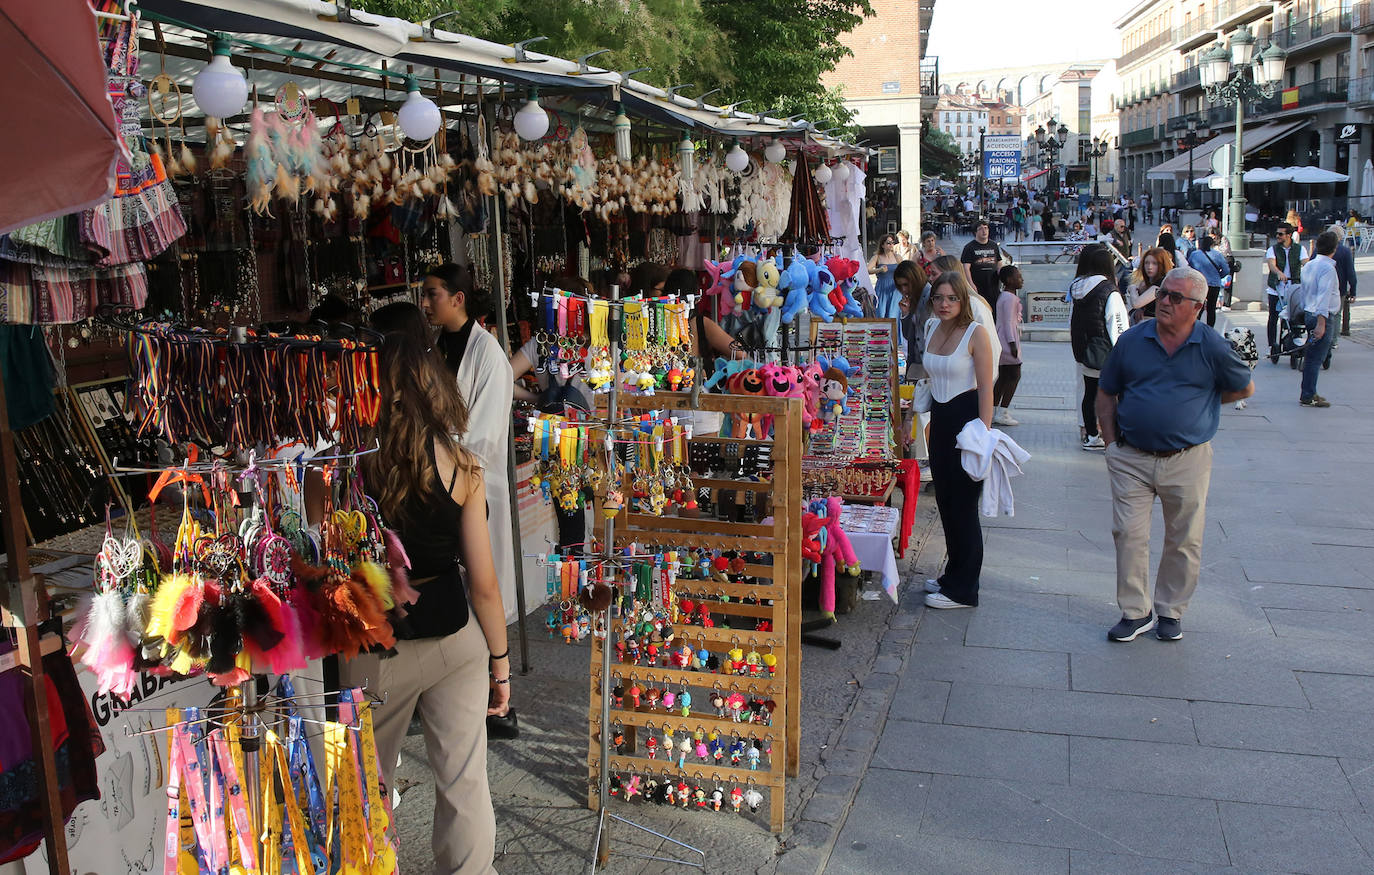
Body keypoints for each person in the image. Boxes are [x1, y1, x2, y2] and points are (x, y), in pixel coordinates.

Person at [339, 335, 510, 874]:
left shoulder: (347, 466)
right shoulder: (463, 467)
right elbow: (483, 583)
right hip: (455, 636)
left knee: (365, 784)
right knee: (464, 782)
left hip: (374, 642)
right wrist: (500, 666)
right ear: (435, 387)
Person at [1095, 266, 1255, 642]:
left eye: (1175, 297)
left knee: (1184, 539)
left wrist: (1203, 404)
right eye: (1163, 293)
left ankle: (1170, 610)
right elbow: (1106, 391)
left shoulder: (1212, 346)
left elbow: (1244, 388)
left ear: (1197, 307)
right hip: (1131, 456)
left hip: (1187, 458)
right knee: (1128, 534)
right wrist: (1110, 443)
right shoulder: (1133, 340)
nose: (1164, 301)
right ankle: (1135, 611)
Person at [421, 264, 518, 621]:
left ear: (458, 299)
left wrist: (439, 457)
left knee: (482, 582)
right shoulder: (434, 348)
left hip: (472, 478)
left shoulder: (488, 353)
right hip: (436, 476)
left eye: (433, 294)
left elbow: (484, 432)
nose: (426, 303)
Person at [921, 270, 997, 610]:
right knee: (946, 503)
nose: (944, 304)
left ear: (963, 300)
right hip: (939, 418)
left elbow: (986, 387)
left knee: (965, 507)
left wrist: (983, 431)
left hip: (966, 420)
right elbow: (928, 373)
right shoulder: (932, 328)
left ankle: (965, 589)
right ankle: (952, 575)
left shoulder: (975, 332)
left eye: (951, 298)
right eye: (938, 297)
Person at [1069, 244, 1129, 450]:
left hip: (1085, 351)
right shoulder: (1108, 291)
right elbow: (1118, 324)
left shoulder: (1076, 288)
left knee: (1090, 393)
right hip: (1107, 353)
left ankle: (1091, 436)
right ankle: (1114, 436)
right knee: (1113, 396)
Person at [1295, 230, 1341, 408]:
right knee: (1315, 358)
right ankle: (1308, 394)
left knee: (1311, 356)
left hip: (1309, 312)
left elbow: (1304, 292)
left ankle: (1308, 391)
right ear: (1334, 248)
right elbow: (1324, 296)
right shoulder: (1328, 268)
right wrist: (1321, 322)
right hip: (1322, 315)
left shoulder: (1310, 265)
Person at [1265, 224, 1307, 362]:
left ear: (1289, 235)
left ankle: (1294, 340)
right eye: (1277, 234)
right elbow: (1272, 264)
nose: (1278, 236)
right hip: (1276, 289)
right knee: (1273, 316)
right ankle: (1272, 344)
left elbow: (1305, 263)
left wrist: (1308, 272)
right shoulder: (1273, 249)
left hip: (1294, 288)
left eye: (1281, 234)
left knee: (1294, 317)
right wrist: (1278, 273)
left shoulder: (1299, 249)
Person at [993, 265, 1023, 426]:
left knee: (1003, 377)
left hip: (1002, 339)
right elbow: (1008, 323)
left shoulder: (1005, 296)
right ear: (1010, 280)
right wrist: (1013, 344)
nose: (1022, 279)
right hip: (1007, 341)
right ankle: (1003, 411)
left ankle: (993, 410)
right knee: (1014, 375)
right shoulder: (1009, 298)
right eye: (1019, 276)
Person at [960, 220, 1003, 317]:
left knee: (994, 312)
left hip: (993, 286)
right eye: (980, 229)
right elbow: (966, 268)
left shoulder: (993, 245)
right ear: (975, 232)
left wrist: (1002, 278)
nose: (984, 231)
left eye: (986, 228)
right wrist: (971, 284)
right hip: (977, 286)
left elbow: (999, 263)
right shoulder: (969, 247)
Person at [1186, 234, 1230, 326]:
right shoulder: (1217, 254)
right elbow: (1226, 270)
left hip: (1199, 284)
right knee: (1211, 308)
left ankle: (1195, 326)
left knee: (1198, 307)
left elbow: (1189, 268)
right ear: (1212, 244)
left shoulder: (1194, 254)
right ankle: (1210, 329)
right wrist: (1218, 276)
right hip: (1214, 284)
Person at [1127, 246, 1171, 323]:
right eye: (1146, 263)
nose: (1149, 267)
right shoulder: (1148, 282)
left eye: (1155, 263)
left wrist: (1132, 288)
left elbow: (1136, 303)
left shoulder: (1162, 283)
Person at [1328, 223, 1357, 338]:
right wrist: (1353, 290)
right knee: (1336, 314)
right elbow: (1351, 273)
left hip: (1322, 286)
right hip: (1339, 288)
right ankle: (1333, 340)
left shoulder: (1319, 248)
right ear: (1340, 237)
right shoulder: (1345, 251)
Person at [869, 234, 903, 320]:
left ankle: (895, 333)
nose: (891, 245)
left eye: (892, 243)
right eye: (888, 243)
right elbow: (867, 270)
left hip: (895, 289)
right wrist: (879, 270)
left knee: (893, 315)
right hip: (881, 288)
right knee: (880, 314)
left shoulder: (897, 257)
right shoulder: (877, 257)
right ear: (882, 245)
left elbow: (905, 270)